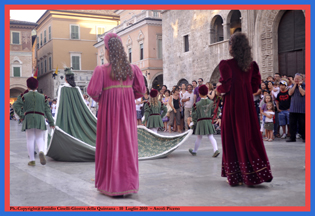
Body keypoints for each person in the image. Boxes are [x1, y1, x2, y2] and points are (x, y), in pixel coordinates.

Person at [87, 33, 146, 197]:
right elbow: (141, 90)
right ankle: (128, 185)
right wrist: (126, 97)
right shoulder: (133, 69)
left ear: (107, 50)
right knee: (127, 145)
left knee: (110, 145)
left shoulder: (101, 70)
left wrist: (107, 98)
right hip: (127, 113)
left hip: (109, 114)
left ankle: (111, 185)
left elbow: (93, 92)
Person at [216, 32, 273, 186]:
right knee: (248, 137)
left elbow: (225, 87)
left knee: (231, 138)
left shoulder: (225, 64)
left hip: (232, 107)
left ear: (232, 47)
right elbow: (255, 87)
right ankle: (253, 173)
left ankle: (235, 176)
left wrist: (218, 88)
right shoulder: (252, 66)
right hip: (247, 108)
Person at [13, 76, 55, 166]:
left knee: (30, 139)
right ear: (37, 86)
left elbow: (15, 105)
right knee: (40, 138)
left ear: (27, 86)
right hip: (40, 118)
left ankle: (32, 160)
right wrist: (51, 122)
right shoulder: (43, 97)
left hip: (28, 118)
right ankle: (41, 151)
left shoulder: (23, 96)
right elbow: (48, 110)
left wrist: (21, 115)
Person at [188, 85, 220, 157]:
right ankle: (216, 150)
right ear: (207, 93)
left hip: (200, 122)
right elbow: (217, 110)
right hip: (209, 121)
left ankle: (194, 151)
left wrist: (194, 123)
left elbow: (194, 115)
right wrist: (214, 117)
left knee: (199, 137)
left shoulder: (196, 104)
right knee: (211, 136)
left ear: (199, 94)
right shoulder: (212, 103)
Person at [286, 73, 305, 142]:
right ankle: (292, 137)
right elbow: (290, 93)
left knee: (302, 124)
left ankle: (304, 137)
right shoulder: (292, 86)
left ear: (301, 79)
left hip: (302, 109)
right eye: (295, 78)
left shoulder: (305, 85)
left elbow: (303, 93)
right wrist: (294, 86)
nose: (296, 80)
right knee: (292, 124)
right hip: (293, 108)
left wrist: (299, 86)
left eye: (298, 79)